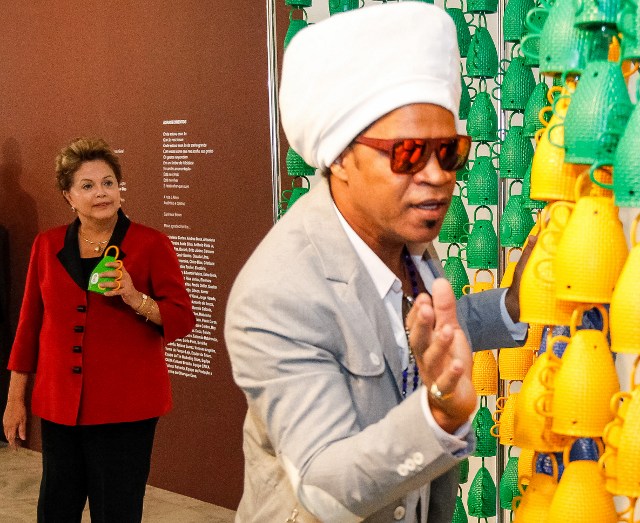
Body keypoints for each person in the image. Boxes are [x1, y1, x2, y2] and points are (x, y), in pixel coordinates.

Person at [225, 3, 534, 522]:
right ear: (341, 158)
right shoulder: (277, 294)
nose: (438, 176)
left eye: (449, 151)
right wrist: (436, 416)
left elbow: (408, 331)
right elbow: (324, 487)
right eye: (408, 153)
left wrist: (511, 305)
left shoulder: (398, 238)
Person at [2, 137, 195, 522]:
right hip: (60, 406)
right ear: (68, 197)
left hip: (126, 409)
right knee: (55, 510)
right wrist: (14, 399)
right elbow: (29, 325)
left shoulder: (150, 244)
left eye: (108, 182)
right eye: (87, 186)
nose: (101, 193)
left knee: (117, 513)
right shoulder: (47, 245)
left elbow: (182, 317)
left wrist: (135, 297)